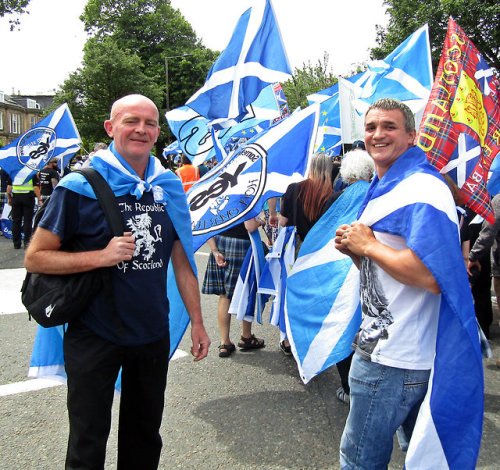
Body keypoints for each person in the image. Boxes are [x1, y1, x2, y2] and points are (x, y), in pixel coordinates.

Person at [24, 94, 210, 470]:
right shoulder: (79, 186)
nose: (141, 129)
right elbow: (36, 256)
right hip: (95, 333)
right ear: (111, 128)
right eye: (131, 121)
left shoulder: (168, 187)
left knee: (144, 438)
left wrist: (199, 322)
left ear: (158, 133)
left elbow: (182, 260)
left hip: (151, 334)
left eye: (150, 123)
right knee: (87, 442)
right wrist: (102, 256)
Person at [335, 98, 470, 468]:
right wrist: (358, 254)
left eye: (389, 127)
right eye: (371, 127)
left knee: (359, 459)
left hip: (393, 358)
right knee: (416, 456)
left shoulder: (422, 187)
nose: (378, 134)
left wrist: (370, 246)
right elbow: (391, 268)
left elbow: (431, 275)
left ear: (411, 136)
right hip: (395, 349)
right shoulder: (390, 184)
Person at [279, 152, 341, 354]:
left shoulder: (294, 189)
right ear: (329, 169)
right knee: (317, 298)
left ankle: (289, 340)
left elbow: (283, 222)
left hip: (296, 251)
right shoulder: (333, 196)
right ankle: (314, 342)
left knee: (294, 295)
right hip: (321, 253)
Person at [203, 220, 265, 358]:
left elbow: (207, 224)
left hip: (219, 242)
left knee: (224, 296)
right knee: (246, 290)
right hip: (241, 243)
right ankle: (246, 336)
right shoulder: (244, 197)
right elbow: (250, 226)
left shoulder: (216, 196)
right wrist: (261, 221)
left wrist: (214, 250)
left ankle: (225, 343)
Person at [6, 173, 41, 249]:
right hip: (28, 197)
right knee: (27, 221)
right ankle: (27, 243)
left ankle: (16, 243)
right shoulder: (31, 173)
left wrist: (9, 198)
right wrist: (39, 199)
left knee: (16, 221)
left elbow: (9, 188)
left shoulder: (14, 173)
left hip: (16, 197)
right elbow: (35, 188)